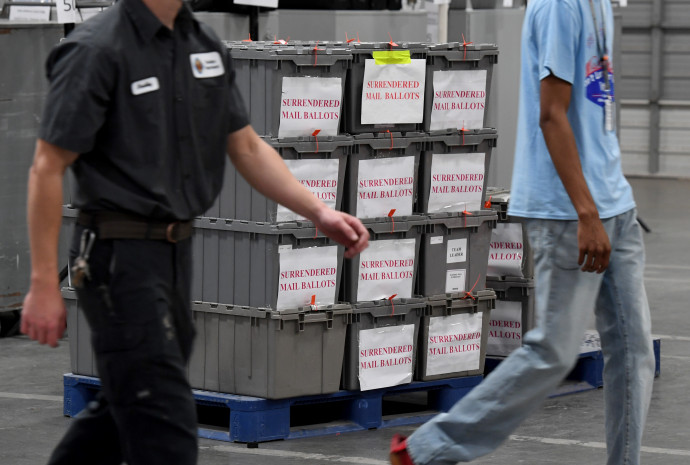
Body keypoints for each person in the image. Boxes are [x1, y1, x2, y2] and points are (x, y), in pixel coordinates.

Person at [20, 0, 369, 463]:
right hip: (117, 256)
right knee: (164, 420)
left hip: (174, 253)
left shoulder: (201, 44)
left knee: (129, 403)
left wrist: (318, 212)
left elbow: (245, 145)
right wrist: (44, 283)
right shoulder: (96, 49)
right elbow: (47, 167)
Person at [389, 0, 655, 464]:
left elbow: (597, 111)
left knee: (634, 354)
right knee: (553, 350)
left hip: (615, 204)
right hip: (568, 211)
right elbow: (552, 115)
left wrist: (614, 195)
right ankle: (426, 450)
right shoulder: (559, 6)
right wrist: (587, 212)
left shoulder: (600, 6)